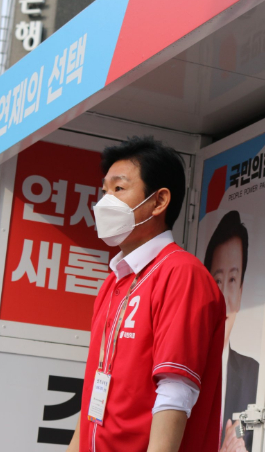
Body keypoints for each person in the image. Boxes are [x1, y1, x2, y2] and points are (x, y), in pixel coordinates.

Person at [67, 137, 226, 452]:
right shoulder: (113, 282)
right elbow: (93, 396)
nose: (104, 202)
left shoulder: (181, 274)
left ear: (159, 201)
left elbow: (175, 390)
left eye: (119, 189)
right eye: (104, 191)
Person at [204, 210, 259, 452]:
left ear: (242, 290)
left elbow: (240, 430)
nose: (224, 296)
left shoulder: (252, 373)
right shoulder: (184, 363)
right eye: (216, 281)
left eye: (233, 280)